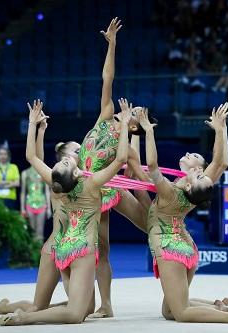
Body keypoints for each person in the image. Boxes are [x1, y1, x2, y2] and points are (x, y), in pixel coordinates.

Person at [0, 98, 131, 325]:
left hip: (58, 246)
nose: (68, 159)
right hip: (79, 249)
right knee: (76, 313)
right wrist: (125, 124)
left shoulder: (55, 185)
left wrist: (34, 127)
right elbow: (121, 158)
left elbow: (32, 158)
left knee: (57, 306)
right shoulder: (91, 184)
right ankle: (24, 318)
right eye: (66, 161)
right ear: (77, 173)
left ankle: (9, 308)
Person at [140, 104, 228, 323]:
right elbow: (221, 162)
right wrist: (220, 129)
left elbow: (152, 166)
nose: (197, 169)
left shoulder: (174, 190)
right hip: (182, 243)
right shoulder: (199, 186)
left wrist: (147, 131)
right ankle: (222, 307)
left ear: (196, 173)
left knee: (180, 313)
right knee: (169, 310)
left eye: (196, 162)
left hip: (170, 246)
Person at [78, 18, 155, 318]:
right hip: (87, 186)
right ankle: (105, 305)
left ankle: (167, 239)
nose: (134, 107)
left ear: (135, 124)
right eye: (135, 107)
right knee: (101, 248)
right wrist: (112, 44)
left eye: (138, 112)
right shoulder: (105, 116)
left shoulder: (129, 140)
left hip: (106, 187)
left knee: (150, 227)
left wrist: (154, 207)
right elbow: (107, 78)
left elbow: (141, 176)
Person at [0, 117, 80, 315]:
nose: (82, 152)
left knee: (86, 307)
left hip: (77, 247)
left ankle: (50, 307)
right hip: (56, 247)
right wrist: (39, 130)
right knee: (37, 307)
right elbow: (35, 158)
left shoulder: (85, 179)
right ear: (64, 159)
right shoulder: (59, 181)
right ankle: (6, 307)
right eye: (77, 151)